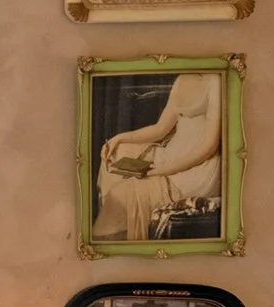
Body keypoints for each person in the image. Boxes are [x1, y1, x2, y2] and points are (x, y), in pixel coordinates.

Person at [95, 71, 224, 241]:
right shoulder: (182, 79)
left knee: (123, 193)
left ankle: (118, 224)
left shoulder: (214, 81)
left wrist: (163, 170)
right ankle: (116, 220)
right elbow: (161, 128)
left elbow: (208, 147)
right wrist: (118, 138)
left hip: (197, 168)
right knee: (116, 154)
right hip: (172, 153)